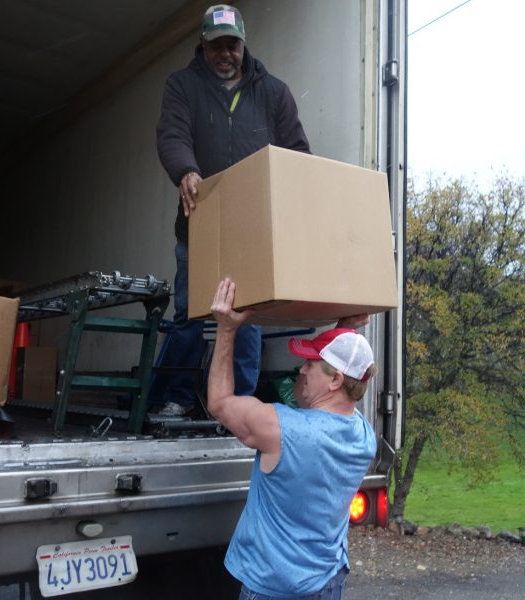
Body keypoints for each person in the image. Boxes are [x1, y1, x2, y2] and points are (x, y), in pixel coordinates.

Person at [154, 4, 311, 416]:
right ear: (203, 46)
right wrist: (185, 170)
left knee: (248, 317)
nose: (225, 54)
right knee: (189, 312)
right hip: (199, 224)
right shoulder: (182, 85)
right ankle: (177, 398)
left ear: (244, 45)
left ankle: (240, 403)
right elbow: (172, 133)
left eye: (233, 45)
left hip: (252, 231)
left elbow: (296, 153)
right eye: (216, 46)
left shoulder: (274, 92)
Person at [207, 277, 377, 599]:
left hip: (275, 589)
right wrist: (342, 333)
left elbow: (219, 403)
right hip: (327, 583)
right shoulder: (364, 435)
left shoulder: (282, 430)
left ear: (335, 380)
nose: (300, 369)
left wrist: (226, 329)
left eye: (310, 363)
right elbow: (342, 385)